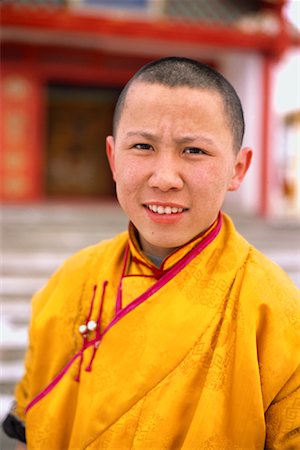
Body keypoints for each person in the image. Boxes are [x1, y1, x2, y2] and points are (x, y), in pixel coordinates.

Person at [3, 57, 300, 449]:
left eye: (193, 151)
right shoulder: (69, 282)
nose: (163, 178)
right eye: (142, 146)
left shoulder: (276, 311)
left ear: (238, 168)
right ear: (112, 158)